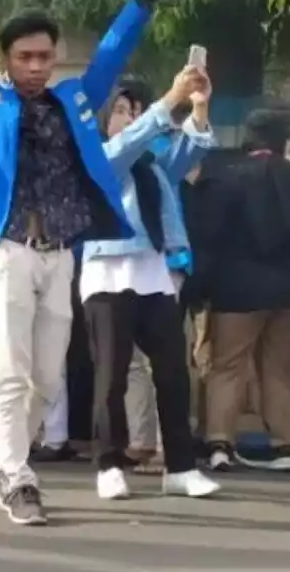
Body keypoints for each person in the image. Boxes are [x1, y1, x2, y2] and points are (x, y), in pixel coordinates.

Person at [0, 0, 180, 525]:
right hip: (8, 252)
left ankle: (7, 465)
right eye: (26, 57)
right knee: (12, 367)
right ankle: (17, 474)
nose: (37, 66)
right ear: (8, 60)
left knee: (47, 375)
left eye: (45, 55)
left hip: (61, 254)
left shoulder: (75, 100)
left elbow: (113, 54)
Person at [80, 66, 222, 500]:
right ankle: (109, 463)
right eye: (121, 110)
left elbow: (186, 154)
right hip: (108, 271)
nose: (129, 117)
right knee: (113, 375)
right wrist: (167, 102)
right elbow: (129, 143)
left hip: (153, 273)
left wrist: (198, 108)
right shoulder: (99, 156)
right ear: (105, 118)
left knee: (173, 373)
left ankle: (180, 466)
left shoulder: (151, 163)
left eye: (134, 110)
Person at [187, 109, 290, 473]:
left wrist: (199, 287)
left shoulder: (226, 178)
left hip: (236, 289)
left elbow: (209, 237)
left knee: (227, 367)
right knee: (280, 370)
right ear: (284, 141)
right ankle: (284, 445)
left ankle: (220, 443)